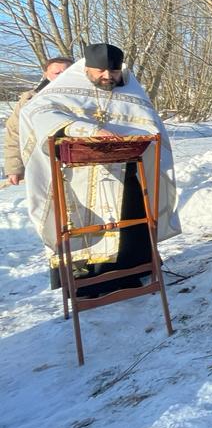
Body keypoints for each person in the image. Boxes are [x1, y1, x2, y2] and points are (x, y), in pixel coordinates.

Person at [19, 43, 180, 297]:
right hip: (79, 176)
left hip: (126, 172)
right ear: (87, 68)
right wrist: (83, 129)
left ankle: (134, 275)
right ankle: (90, 286)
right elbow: (37, 113)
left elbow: (151, 124)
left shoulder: (131, 90)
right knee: (86, 228)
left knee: (130, 226)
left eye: (113, 72)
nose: (108, 77)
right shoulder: (63, 88)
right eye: (100, 72)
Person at [4, 56, 73, 185]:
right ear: (46, 74)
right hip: (40, 163)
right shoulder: (30, 100)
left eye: (67, 72)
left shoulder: (86, 99)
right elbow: (14, 132)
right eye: (56, 73)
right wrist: (14, 168)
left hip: (77, 162)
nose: (62, 76)